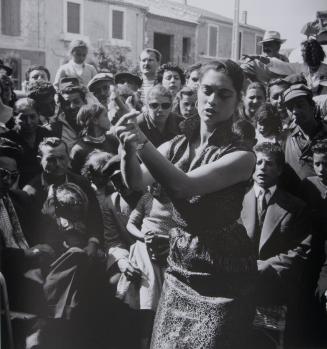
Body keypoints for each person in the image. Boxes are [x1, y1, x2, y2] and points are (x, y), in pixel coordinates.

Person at [115, 59, 258, 348]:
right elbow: (135, 182)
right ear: (196, 89)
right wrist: (127, 146)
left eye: (224, 94)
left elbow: (183, 187)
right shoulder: (176, 144)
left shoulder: (243, 156)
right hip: (179, 267)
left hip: (223, 274)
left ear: (238, 100)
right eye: (207, 90)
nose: (212, 100)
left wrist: (141, 141)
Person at [240, 142, 312, 347]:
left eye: (269, 164)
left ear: (280, 169)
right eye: (259, 162)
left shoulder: (295, 206)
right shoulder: (235, 200)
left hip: (273, 291)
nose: (262, 167)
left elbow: (302, 248)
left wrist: (266, 265)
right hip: (235, 287)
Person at [23, 137, 103, 248]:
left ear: (68, 158)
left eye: (62, 158)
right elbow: (33, 233)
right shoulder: (29, 193)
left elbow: (95, 217)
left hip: (85, 246)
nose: (58, 164)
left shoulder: (81, 182)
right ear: (39, 160)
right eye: (51, 159)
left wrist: (93, 243)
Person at [283, 83, 327, 183]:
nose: (294, 111)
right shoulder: (285, 138)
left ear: (312, 106)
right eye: (290, 107)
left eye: (300, 105)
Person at [3, 98, 52, 187]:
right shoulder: (6, 140)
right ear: (14, 117)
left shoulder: (47, 134)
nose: (28, 122)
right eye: (23, 117)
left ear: (39, 115)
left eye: (32, 117)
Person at [70, 103, 118, 174]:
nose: (109, 120)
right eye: (105, 116)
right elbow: (78, 175)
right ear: (95, 121)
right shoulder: (78, 149)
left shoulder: (112, 139)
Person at [47, 77, 87, 151]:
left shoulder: (94, 122)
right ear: (61, 106)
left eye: (76, 102)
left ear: (84, 102)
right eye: (67, 103)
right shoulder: (54, 129)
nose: (72, 107)